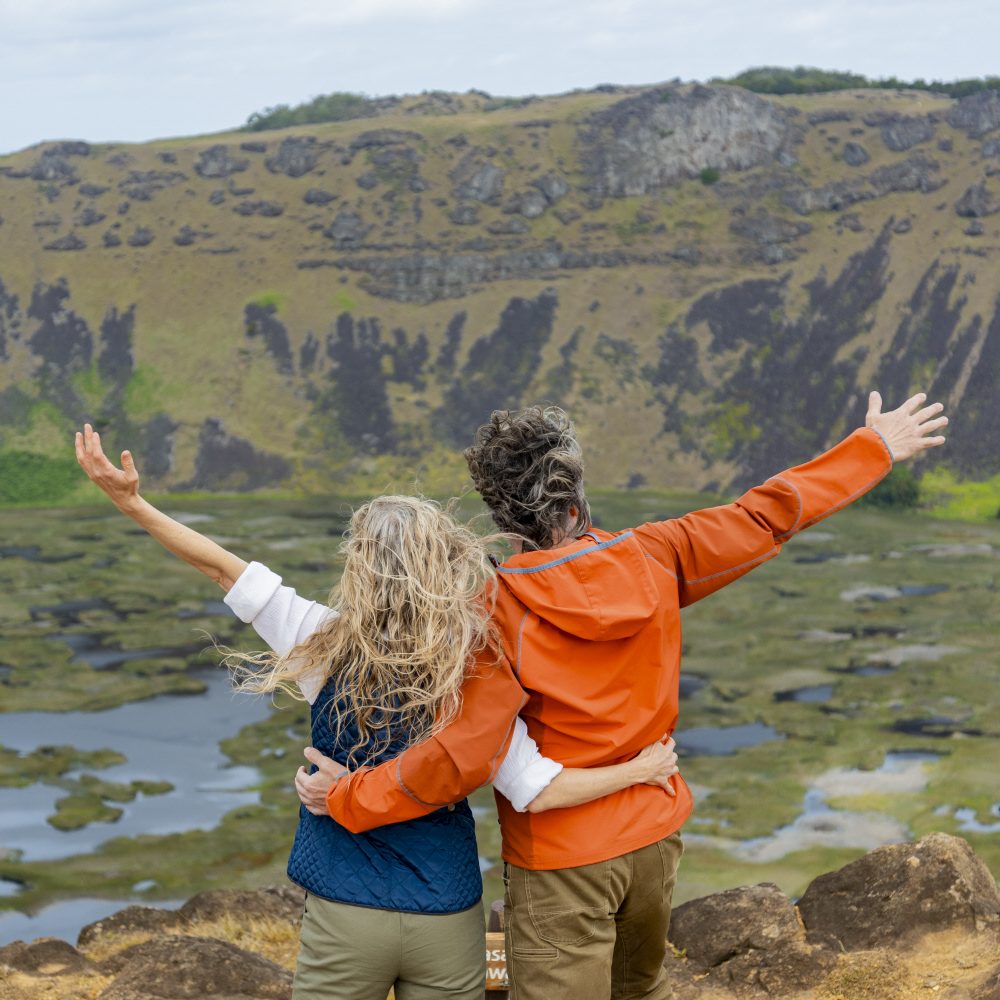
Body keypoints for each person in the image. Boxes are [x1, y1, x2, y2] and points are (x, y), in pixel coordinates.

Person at [298, 390, 948, 1000]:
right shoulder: (657, 553)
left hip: (563, 865)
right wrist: (873, 448)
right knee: (641, 990)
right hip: (654, 841)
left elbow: (461, 757)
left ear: (500, 514)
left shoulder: (497, 611)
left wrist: (349, 797)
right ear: (574, 503)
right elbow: (765, 515)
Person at [73, 423, 680, 1000]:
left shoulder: (316, 641)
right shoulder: (476, 669)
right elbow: (536, 791)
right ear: (443, 564)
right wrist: (639, 770)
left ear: (359, 567)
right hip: (447, 916)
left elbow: (220, 567)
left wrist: (133, 504)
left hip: (345, 914)